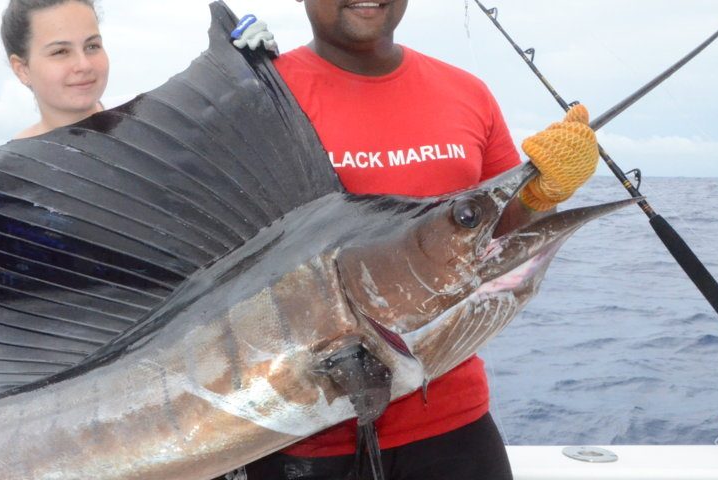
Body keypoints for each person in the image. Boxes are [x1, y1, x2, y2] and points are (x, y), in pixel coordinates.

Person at [230, 2, 599, 479]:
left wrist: (541, 193)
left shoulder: (467, 92)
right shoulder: (256, 97)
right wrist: (224, 88)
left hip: (453, 421)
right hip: (296, 440)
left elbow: (504, 236)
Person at [0, 0, 109, 139]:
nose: (84, 65)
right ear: (22, 69)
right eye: (60, 52)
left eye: (92, 46)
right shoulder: (16, 159)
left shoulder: (141, 122)